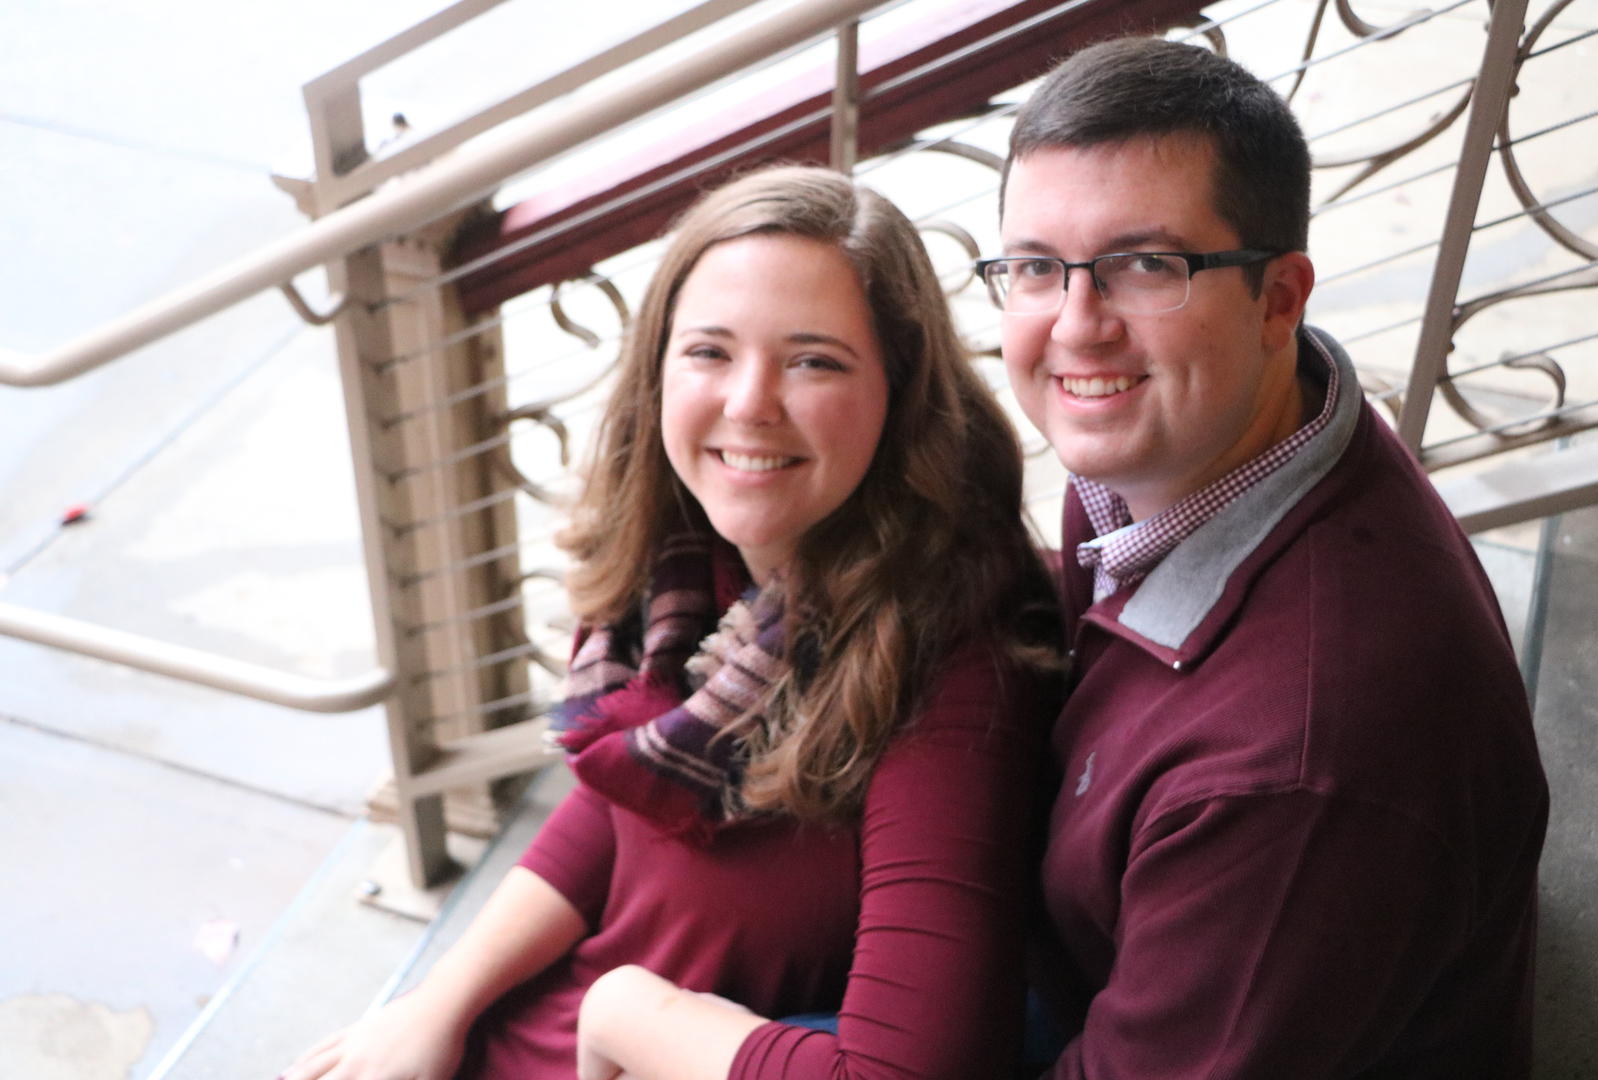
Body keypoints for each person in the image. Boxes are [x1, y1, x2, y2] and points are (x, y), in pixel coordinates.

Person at [282, 164, 1059, 1080]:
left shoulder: (953, 670)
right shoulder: (689, 564)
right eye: (710, 352)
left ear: (901, 393)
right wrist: (435, 1004)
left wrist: (627, 1013)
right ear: (658, 366)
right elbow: (618, 804)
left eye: (814, 359)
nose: (748, 403)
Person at [979, 35, 1549, 1078]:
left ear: (1280, 299)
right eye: (1034, 268)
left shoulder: (1302, 772)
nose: (1076, 328)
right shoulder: (1199, 446)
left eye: (1146, 265)